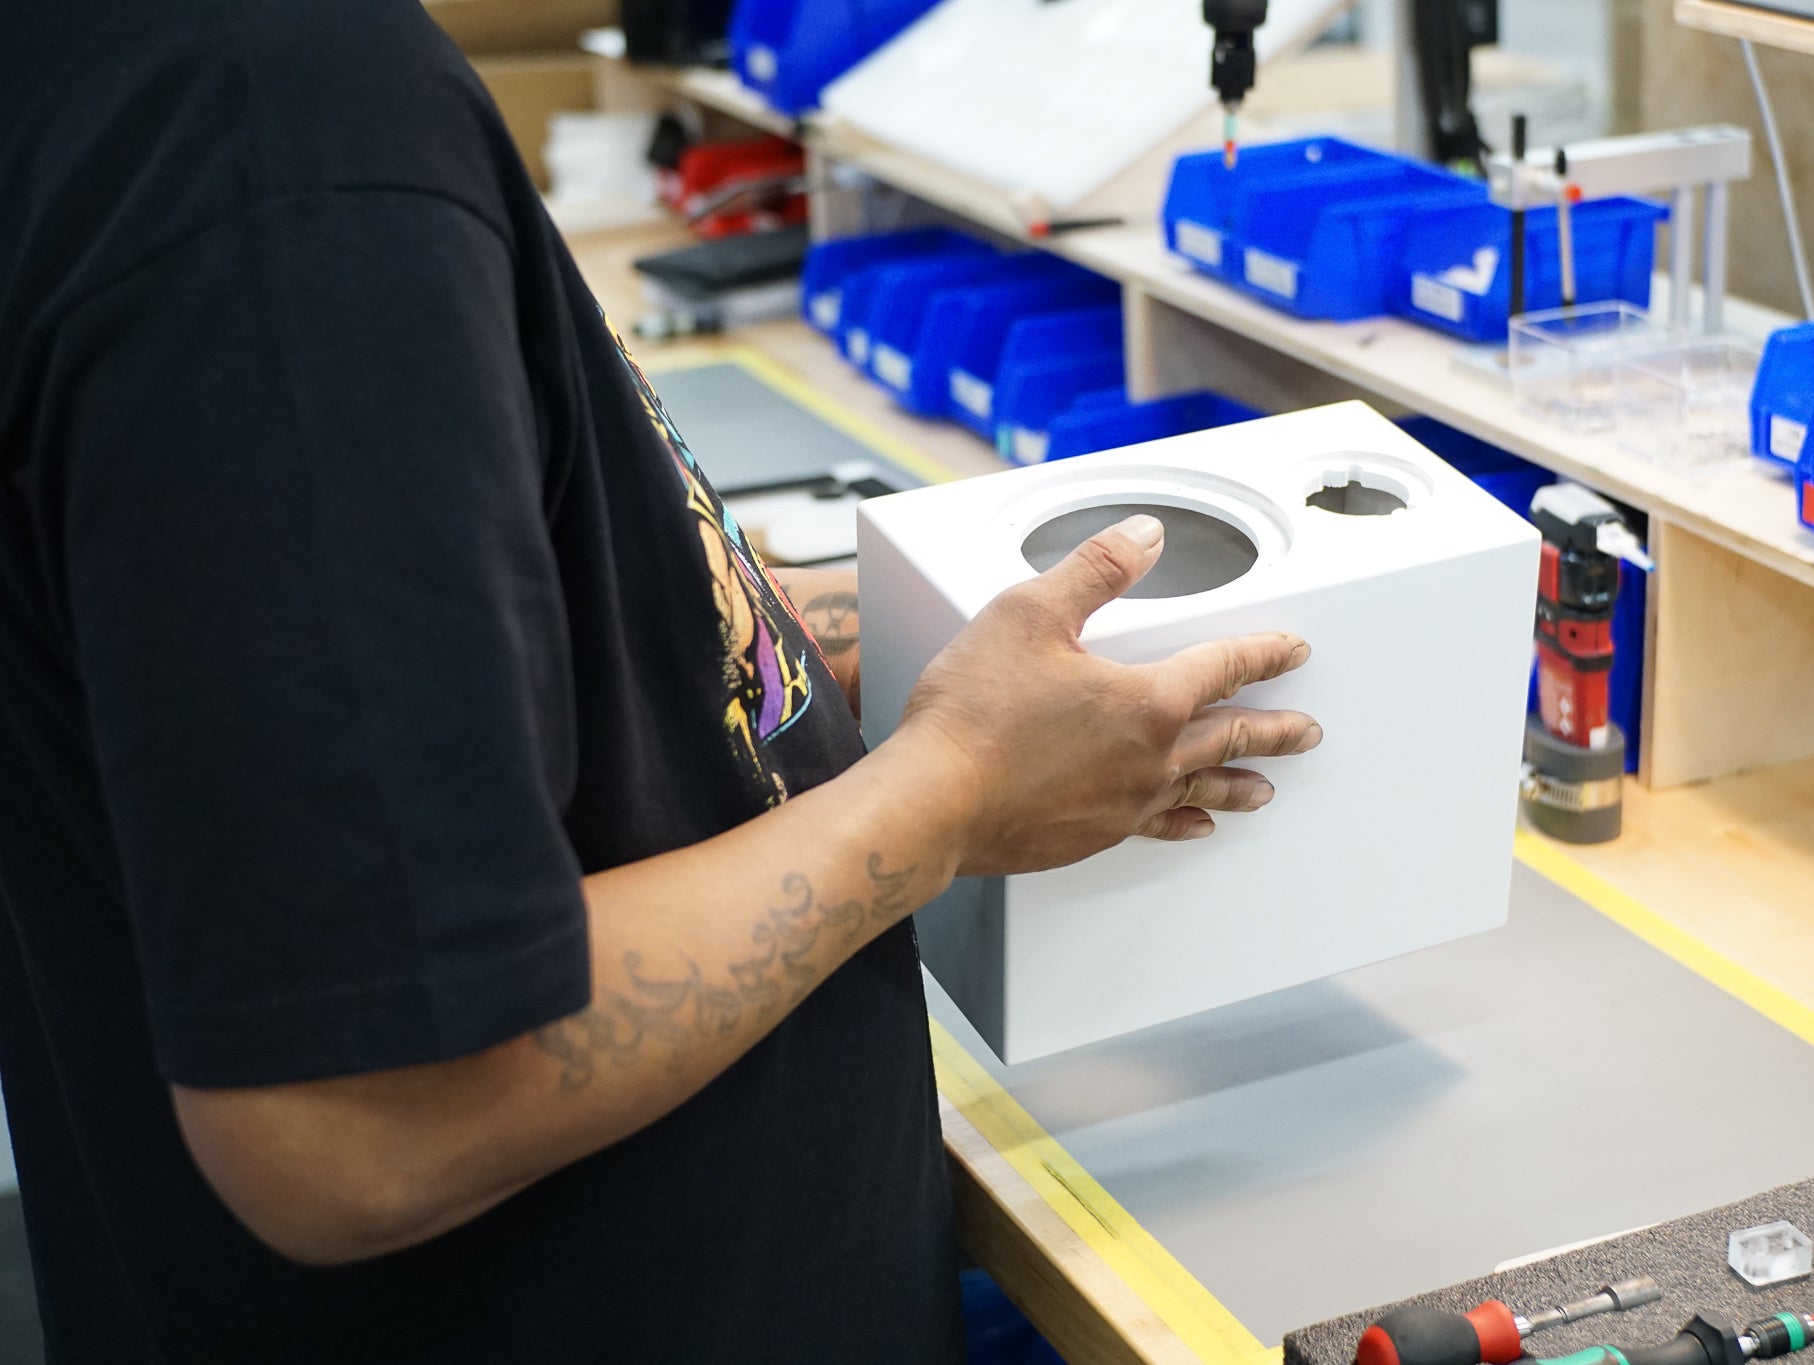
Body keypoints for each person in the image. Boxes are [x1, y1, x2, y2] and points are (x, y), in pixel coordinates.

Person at [0, 2, 1321, 1361]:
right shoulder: (273, 135)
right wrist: (952, 791)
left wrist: (863, 632)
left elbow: (394, 656)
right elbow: (361, 1115)